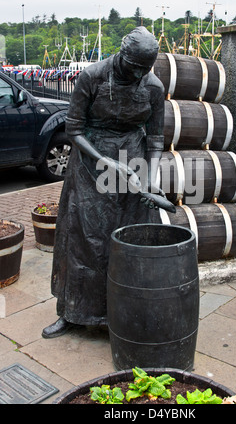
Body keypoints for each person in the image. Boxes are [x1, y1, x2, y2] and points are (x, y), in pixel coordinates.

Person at [42, 26, 174, 339]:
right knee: (84, 240)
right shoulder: (92, 77)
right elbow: (74, 130)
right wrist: (106, 161)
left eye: (145, 69)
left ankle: (123, 315)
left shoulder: (153, 86)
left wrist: (150, 178)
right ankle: (72, 312)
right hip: (91, 164)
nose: (138, 75)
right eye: (133, 67)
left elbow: (156, 138)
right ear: (121, 55)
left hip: (133, 161)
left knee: (126, 240)